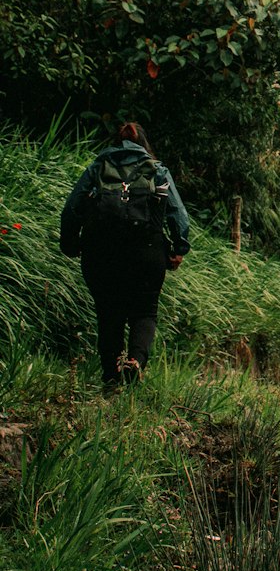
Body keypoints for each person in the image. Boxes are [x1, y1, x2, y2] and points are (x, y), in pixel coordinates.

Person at [60, 120, 190, 391]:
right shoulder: (157, 170)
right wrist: (179, 248)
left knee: (109, 312)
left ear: (116, 143)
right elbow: (178, 214)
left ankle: (111, 377)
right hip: (147, 251)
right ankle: (135, 360)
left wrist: (70, 243)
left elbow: (72, 207)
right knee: (144, 311)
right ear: (144, 144)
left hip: (100, 252)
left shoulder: (97, 167)